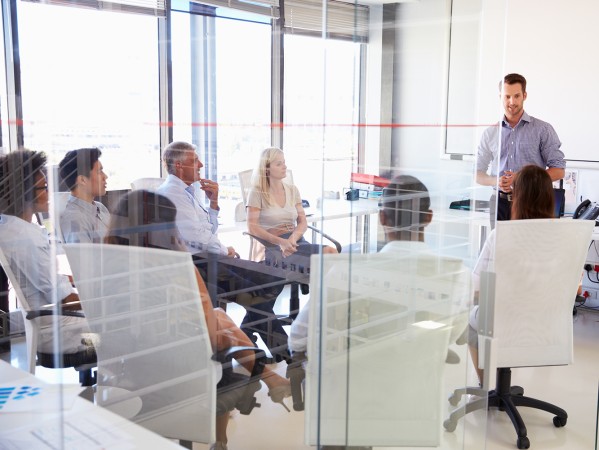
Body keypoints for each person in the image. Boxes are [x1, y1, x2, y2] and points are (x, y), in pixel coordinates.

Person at [104, 190, 292, 450]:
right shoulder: (176, 267)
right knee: (220, 336)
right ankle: (223, 438)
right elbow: (207, 332)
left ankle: (269, 377)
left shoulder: (104, 265)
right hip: (174, 369)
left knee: (219, 317)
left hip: (125, 365)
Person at [156, 141, 290, 360]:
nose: (201, 164)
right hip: (197, 264)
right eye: (194, 160)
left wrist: (214, 204)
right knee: (257, 296)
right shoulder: (173, 194)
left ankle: (247, 334)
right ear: (179, 166)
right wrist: (224, 250)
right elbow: (198, 238)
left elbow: (207, 230)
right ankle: (282, 353)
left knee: (272, 279)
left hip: (210, 258)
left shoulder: (187, 192)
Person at [290, 174, 437, 353]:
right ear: (429, 217)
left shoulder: (345, 274)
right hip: (423, 378)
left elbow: (298, 339)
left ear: (382, 218)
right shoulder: (456, 276)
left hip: (360, 377)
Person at [468, 165, 555, 384]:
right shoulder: (562, 237)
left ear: (517, 195)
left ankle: (485, 385)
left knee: (469, 320)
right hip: (545, 323)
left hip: (505, 321)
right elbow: (575, 288)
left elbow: (476, 286)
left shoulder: (502, 235)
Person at [0, 149, 91, 354]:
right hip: (62, 331)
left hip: (44, 321)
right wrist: (104, 299)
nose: (49, 194)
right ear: (25, 194)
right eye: (44, 188)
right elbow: (63, 298)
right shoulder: (26, 238)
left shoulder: (8, 227)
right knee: (122, 331)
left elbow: (46, 279)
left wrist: (76, 280)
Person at [476, 73, 565, 225]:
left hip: (533, 202)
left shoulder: (543, 130)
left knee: (530, 248)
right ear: (500, 97)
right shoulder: (490, 133)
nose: (512, 101)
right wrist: (496, 181)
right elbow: (477, 174)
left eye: (517, 96)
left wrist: (520, 177)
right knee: (500, 248)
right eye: (507, 96)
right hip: (499, 204)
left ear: (524, 95)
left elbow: (559, 171)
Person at [246, 147, 338, 269]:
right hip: (273, 246)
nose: (284, 166)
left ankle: (322, 287)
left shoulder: (293, 190)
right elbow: (252, 227)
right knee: (330, 254)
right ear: (266, 169)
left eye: (284, 162)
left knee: (329, 262)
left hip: (295, 241)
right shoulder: (257, 193)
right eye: (279, 164)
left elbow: (302, 222)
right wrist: (281, 242)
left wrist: (291, 240)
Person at [58, 148, 110, 243]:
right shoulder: (74, 219)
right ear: (82, 180)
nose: (105, 177)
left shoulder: (100, 208)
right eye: (99, 172)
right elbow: (82, 257)